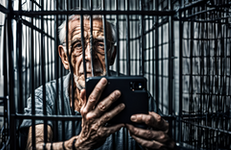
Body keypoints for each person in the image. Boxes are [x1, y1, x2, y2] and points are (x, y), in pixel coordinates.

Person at [20, 15, 176, 150]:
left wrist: (164, 143)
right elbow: (33, 146)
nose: (89, 56)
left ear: (112, 55)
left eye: (100, 45)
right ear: (65, 58)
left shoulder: (135, 94)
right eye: (78, 45)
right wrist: (80, 145)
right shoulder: (45, 96)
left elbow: (161, 139)